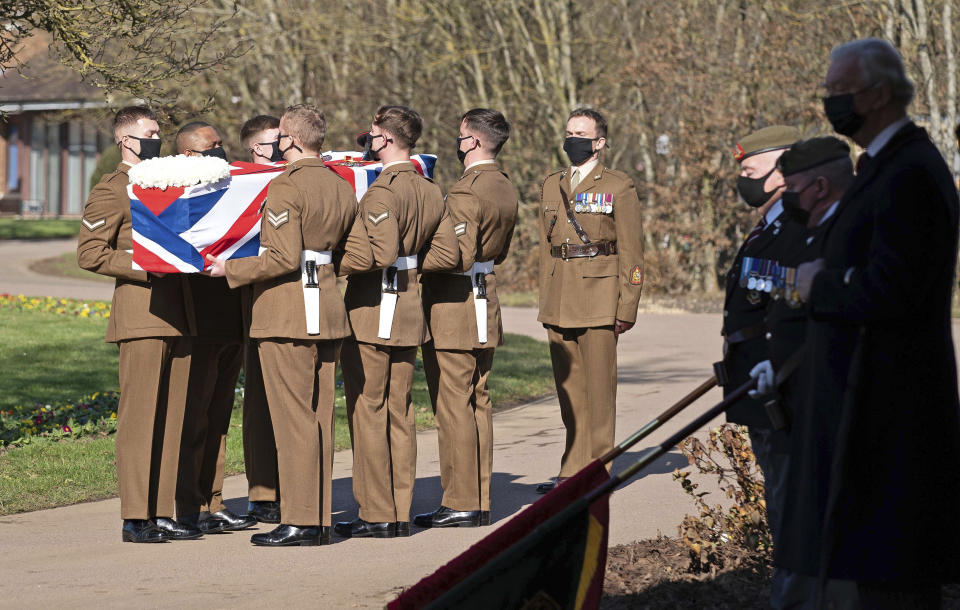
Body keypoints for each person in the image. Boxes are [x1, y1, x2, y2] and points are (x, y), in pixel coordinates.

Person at [787, 38, 960, 606]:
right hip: (872, 407)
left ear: (879, 93)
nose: (829, 102)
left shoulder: (908, 171)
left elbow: (894, 287)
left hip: (893, 415)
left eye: (838, 91)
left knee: (896, 583)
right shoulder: (886, 165)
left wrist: (821, 283)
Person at [207, 104, 372, 546]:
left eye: (281, 135)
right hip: (326, 308)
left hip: (286, 312)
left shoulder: (286, 187)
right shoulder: (341, 187)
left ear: (292, 140)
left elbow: (280, 257)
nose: (277, 141)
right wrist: (325, 268)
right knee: (318, 417)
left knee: (293, 418)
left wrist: (231, 271)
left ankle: (302, 519)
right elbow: (356, 254)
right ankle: (314, 514)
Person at [77, 106, 199, 542]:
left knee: (173, 417)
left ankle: (164, 511)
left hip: (181, 313)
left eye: (158, 132)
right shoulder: (114, 189)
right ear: (126, 140)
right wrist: (147, 265)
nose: (157, 139)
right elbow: (90, 252)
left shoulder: (168, 184)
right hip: (142, 313)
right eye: (149, 133)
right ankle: (135, 514)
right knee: (142, 417)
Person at [336, 105, 459, 539]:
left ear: (385, 139)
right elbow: (448, 254)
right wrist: (414, 263)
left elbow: (380, 252)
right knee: (400, 412)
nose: (367, 142)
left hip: (373, 311)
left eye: (371, 135)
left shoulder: (381, 192)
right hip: (410, 308)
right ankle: (399, 509)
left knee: (368, 411)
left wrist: (335, 262)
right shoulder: (430, 190)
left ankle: (376, 511)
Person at [748, 136, 857, 608]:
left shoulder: (844, 230)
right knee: (794, 518)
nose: (782, 193)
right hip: (789, 384)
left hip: (816, 394)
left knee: (810, 521)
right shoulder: (809, 225)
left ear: (817, 186)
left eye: (788, 184)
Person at [415, 108, 518, 528]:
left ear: (473, 141)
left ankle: (460, 500)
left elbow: (453, 256)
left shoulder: (464, 192)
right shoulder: (505, 187)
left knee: (454, 404)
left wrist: (412, 260)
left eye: (460, 136)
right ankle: (476, 497)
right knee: (478, 400)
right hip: (484, 296)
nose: (457, 143)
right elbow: (499, 251)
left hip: (454, 304)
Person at [535, 108, 644, 494]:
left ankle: (598, 468)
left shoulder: (618, 185)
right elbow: (546, 248)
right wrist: (545, 296)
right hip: (560, 295)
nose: (572, 140)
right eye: (568, 132)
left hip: (600, 296)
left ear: (599, 142)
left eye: (581, 133)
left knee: (599, 391)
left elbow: (632, 251)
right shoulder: (552, 184)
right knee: (569, 390)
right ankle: (572, 468)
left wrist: (626, 305)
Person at [716, 126, 805, 583]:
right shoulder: (766, 224)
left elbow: (792, 296)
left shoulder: (799, 223)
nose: (743, 181)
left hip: (783, 385)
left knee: (792, 497)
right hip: (755, 380)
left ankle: (796, 585)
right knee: (778, 489)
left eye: (750, 170)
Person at [172, 122, 256, 533]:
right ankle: (186, 503)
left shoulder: (234, 188)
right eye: (212, 147)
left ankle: (213, 500)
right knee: (195, 417)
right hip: (197, 323)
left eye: (222, 145)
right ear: (189, 154)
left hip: (231, 320)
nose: (221, 153)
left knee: (220, 417)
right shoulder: (172, 196)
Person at [237, 114, 284, 523]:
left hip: (292, 297)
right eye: (276, 142)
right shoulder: (240, 186)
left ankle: (296, 485)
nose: (285, 147)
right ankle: (263, 490)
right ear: (257, 149)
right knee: (260, 397)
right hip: (249, 298)